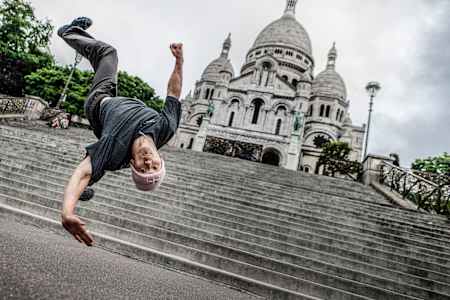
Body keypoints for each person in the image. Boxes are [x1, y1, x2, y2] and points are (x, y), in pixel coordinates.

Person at [57, 17, 184, 246]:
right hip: (119, 100)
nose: (148, 163)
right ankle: (86, 190)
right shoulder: (166, 128)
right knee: (104, 55)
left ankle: (67, 32)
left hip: (100, 100)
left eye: (144, 169)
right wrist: (179, 62)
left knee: (108, 54)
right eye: (154, 165)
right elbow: (173, 92)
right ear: (160, 158)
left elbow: (82, 172)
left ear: (133, 165)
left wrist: (67, 212)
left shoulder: (115, 152)